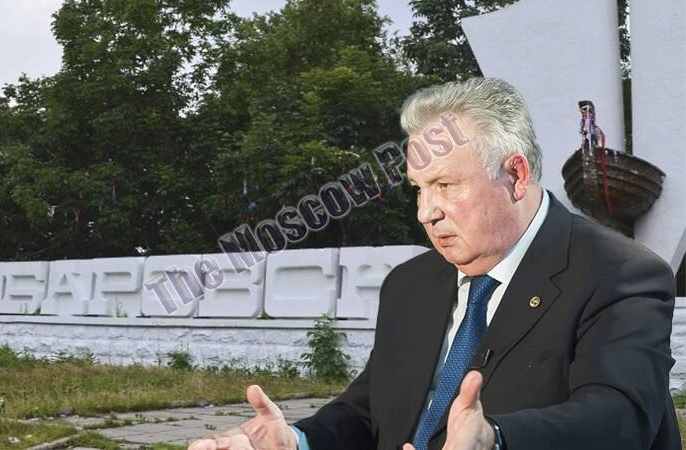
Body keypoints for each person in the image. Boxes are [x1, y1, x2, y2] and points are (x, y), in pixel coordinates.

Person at [188, 78, 679, 450]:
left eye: (445, 185)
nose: (426, 212)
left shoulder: (620, 273)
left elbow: (620, 417)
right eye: (419, 189)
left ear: (515, 175)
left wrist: (495, 440)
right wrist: (297, 440)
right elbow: (371, 409)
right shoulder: (409, 284)